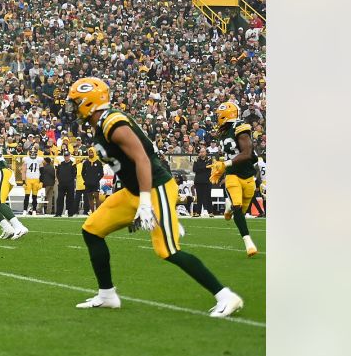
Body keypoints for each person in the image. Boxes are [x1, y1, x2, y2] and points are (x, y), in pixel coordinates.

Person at [65, 78, 244, 318]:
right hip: (133, 192)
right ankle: (107, 295)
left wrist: (147, 203)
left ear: (89, 101)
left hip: (155, 188)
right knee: (92, 230)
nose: (74, 108)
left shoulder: (113, 123)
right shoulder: (102, 124)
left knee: (167, 250)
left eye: (77, 102)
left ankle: (226, 296)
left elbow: (142, 159)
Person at [210, 102, 260, 257]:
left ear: (227, 114)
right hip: (232, 175)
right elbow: (229, 154)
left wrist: (225, 164)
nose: (217, 117)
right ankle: (248, 243)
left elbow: (246, 153)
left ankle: (228, 206)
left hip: (248, 175)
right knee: (238, 208)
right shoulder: (224, 131)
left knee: (241, 211)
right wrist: (222, 167)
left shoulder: (240, 127)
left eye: (220, 114)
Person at [191, 148, 213, 217]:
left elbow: (209, 168)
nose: (202, 153)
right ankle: (198, 212)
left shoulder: (209, 160)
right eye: (200, 152)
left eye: (203, 152)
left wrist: (200, 167)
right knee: (199, 198)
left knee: (208, 197)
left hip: (207, 181)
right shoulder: (196, 160)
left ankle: (210, 212)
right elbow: (195, 169)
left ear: (206, 152)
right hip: (198, 181)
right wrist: (204, 166)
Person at [55, 151, 76, 217]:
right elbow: (57, 173)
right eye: (65, 156)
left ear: (69, 156)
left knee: (70, 199)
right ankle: (58, 213)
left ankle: (70, 213)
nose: (66, 157)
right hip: (62, 184)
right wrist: (59, 181)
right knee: (60, 199)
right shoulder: (61, 164)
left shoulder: (73, 164)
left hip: (70, 184)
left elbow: (74, 174)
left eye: (67, 156)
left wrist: (71, 181)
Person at [21, 149, 43, 215]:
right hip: (28, 180)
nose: (33, 155)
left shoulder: (39, 160)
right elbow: (23, 171)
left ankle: (34, 210)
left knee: (34, 196)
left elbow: (42, 172)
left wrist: (41, 182)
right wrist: (23, 182)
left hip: (36, 180)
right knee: (27, 196)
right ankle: (25, 210)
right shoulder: (26, 160)